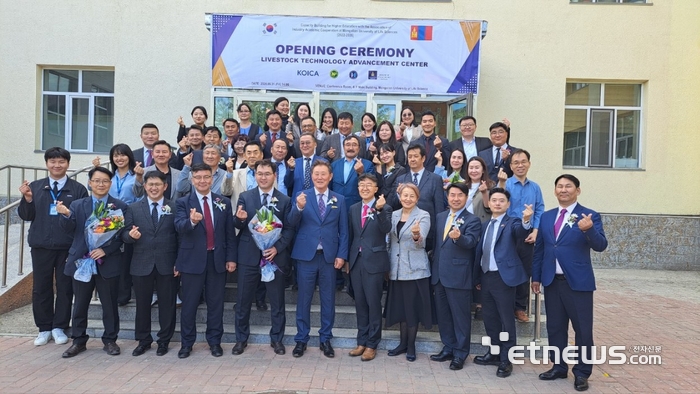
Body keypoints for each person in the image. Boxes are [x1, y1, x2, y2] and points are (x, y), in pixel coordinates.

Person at [531, 174, 608, 392]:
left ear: (577, 190)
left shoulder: (589, 215)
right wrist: (536, 277)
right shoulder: (546, 217)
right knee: (555, 328)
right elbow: (541, 250)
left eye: (568, 186)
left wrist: (588, 229)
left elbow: (601, 245)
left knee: (583, 330)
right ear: (555, 191)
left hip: (578, 283)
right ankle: (559, 366)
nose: (563, 190)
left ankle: (582, 372)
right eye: (560, 186)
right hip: (551, 282)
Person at [18, 147, 89, 347]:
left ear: (68, 163)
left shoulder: (77, 189)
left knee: (65, 288)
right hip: (41, 245)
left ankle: (59, 327)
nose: (57, 165)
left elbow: (81, 219)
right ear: (47, 163)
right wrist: (28, 199)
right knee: (41, 288)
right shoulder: (36, 186)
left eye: (61, 162)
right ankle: (44, 328)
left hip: (67, 247)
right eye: (53, 161)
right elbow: (26, 215)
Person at [57, 166, 128, 358]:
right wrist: (64, 214)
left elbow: (121, 237)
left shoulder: (119, 206)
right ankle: (78, 341)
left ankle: (110, 340)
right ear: (90, 183)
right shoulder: (77, 205)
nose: (101, 184)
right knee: (80, 303)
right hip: (81, 262)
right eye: (96, 180)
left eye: (105, 181)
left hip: (108, 261)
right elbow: (68, 230)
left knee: (110, 305)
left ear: (110, 184)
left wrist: (105, 249)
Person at [174, 163, 237, 359]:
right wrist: (192, 221)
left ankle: (214, 342)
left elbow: (229, 234)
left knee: (216, 304)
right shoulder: (183, 202)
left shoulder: (223, 202)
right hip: (192, 261)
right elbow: (178, 227)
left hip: (216, 260)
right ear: (192, 180)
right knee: (190, 304)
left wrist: (231, 258)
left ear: (212, 179)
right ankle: (186, 343)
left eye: (206, 177)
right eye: (198, 177)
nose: (202, 181)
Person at [231, 160, 295, 356]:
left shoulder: (284, 200)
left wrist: (276, 248)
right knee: (242, 301)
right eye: (260, 173)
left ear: (274, 175)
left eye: (267, 173)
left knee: (277, 302)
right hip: (248, 256)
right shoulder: (245, 197)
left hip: (273, 258)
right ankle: (241, 339)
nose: (263, 177)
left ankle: (277, 339)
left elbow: (289, 229)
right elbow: (238, 225)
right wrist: (239, 220)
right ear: (255, 175)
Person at [287, 160, 349, 358]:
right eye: (316, 174)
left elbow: (344, 230)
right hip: (306, 256)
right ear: (311, 176)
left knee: (328, 299)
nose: (320, 177)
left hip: (329, 257)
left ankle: (325, 339)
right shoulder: (301, 196)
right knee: (304, 299)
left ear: (330, 176)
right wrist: (298, 207)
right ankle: (301, 339)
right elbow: (291, 222)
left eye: (324, 174)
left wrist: (341, 255)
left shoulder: (339, 199)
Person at [473, 188, 532, 378]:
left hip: (503, 278)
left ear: (508, 204)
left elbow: (521, 232)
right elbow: (480, 253)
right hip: (486, 277)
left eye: (501, 200)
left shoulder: (512, 222)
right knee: (490, 318)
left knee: (506, 320)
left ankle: (506, 359)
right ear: (489, 203)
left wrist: (526, 220)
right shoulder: (484, 225)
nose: (497, 203)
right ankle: (495, 353)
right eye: (494, 200)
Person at [122, 171, 178, 357]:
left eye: (158, 184)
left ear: (165, 186)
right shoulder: (133, 208)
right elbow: (124, 233)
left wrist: (178, 263)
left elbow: (180, 237)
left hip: (167, 263)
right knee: (142, 305)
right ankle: (143, 340)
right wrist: (130, 236)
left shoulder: (174, 207)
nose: (154, 188)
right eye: (150, 184)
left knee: (167, 305)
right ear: (144, 186)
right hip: (141, 263)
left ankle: (164, 341)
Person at [429, 183, 482, 370]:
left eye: (460, 195)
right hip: (439, 276)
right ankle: (448, 347)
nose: (455, 198)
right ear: (448, 197)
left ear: (466, 197)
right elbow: (437, 246)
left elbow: (470, 243)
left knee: (460, 318)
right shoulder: (440, 217)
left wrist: (459, 237)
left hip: (459, 276)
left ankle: (460, 353)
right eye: (452, 195)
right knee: (444, 316)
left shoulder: (472, 220)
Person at [347, 174, 392, 362]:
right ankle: (361, 340)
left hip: (374, 261)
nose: (364, 188)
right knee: (360, 303)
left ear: (376, 189)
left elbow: (387, 229)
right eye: (361, 185)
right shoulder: (353, 208)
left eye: (369, 185)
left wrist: (380, 210)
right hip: (356, 261)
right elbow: (351, 235)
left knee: (373, 303)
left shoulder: (385, 207)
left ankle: (372, 344)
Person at [385, 183, 432, 362]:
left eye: (412, 196)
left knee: (412, 310)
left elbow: (421, 242)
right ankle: (402, 343)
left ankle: (411, 346)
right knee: (401, 309)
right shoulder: (394, 215)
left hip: (414, 270)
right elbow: (389, 240)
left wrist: (416, 235)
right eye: (405, 195)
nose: (407, 199)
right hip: (396, 269)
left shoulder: (423, 215)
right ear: (400, 197)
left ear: (417, 198)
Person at [498, 149, 544, 323]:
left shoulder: (535, 187)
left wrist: (535, 231)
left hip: (528, 235)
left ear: (529, 164)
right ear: (511, 166)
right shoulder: (506, 183)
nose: (520, 165)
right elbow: (499, 202)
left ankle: (520, 307)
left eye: (523, 162)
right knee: (506, 269)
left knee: (524, 271)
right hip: (508, 233)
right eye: (516, 163)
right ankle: (505, 306)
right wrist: (501, 184)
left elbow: (539, 209)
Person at [93, 143, 139, 307]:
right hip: (109, 219)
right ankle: (112, 292)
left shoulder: (136, 176)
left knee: (127, 256)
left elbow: (139, 197)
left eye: (123, 155)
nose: (119, 158)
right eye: (116, 155)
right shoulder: (109, 178)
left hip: (129, 217)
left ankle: (124, 294)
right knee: (112, 254)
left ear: (129, 157)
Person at [386, 144, 445, 252]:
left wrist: (437, 233)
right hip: (402, 233)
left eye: (415, 156)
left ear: (423, 158)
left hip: (427, 232)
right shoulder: (401, 179)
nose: (412, 159)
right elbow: (392, 205)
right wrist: (398, 194)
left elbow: (439, 208)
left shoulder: (435, 179)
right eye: (409, 156)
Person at [330, 135, 375, 207]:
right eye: (347, 145)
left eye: (354, 145)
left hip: (357, 206)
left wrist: (361, 172)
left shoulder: (367, 164)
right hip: (336, 206)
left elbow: (371, 186)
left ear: (359, 148)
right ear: (343, 147)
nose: (351, 148)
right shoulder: (334, 165)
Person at [222, 140, 265, 207]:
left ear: (261, 155)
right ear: (244, 156)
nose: (252, 156)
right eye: (249, 153)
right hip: (240, 213)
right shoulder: (235, 174)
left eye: (255, 153)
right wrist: (229, 172)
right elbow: (225, 192)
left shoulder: (269, 174)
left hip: (263, 214)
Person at [286, 133, 328, 198]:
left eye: (308, 143)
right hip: (298, 203)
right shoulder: (294, 163)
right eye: (302, 143)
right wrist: (291, 169)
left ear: (315, 144)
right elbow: (288, 184)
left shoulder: (323, 162)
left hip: (317, 201)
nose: (305, 145)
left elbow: (328, 184)